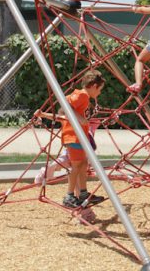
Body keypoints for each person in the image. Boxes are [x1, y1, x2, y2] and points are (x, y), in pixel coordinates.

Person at [34, 69, 106, 209]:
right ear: (93, 86)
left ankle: (83, 193)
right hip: (74, 137)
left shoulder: (81, 97)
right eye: (99, 89)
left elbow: (63, 114)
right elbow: (65, 108)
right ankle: (69, 195)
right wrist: (79, 118)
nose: (99, 93)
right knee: (76, 166)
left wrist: (44, 114)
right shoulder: (82, 96)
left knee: (83, 164)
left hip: (79, 137)